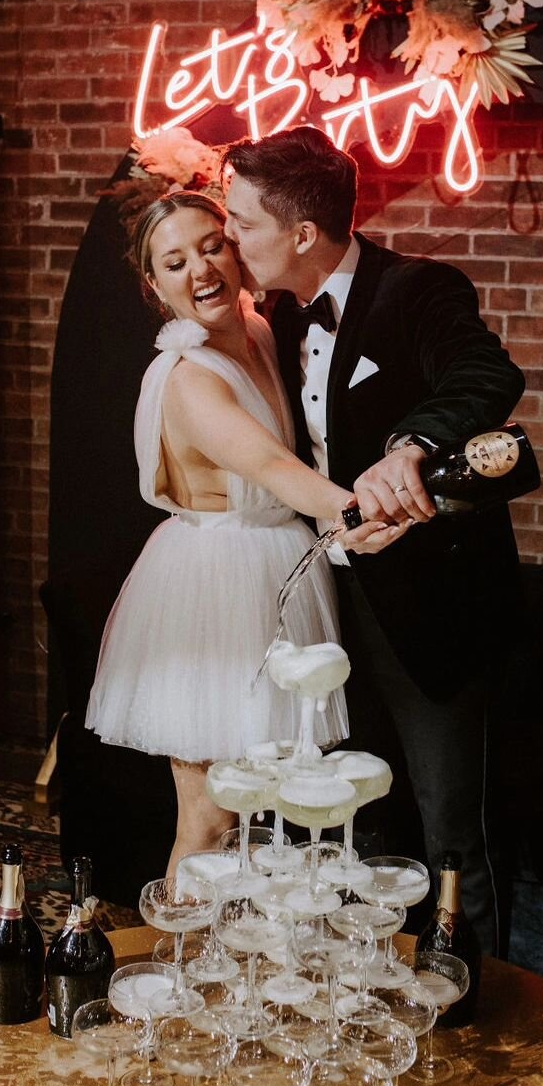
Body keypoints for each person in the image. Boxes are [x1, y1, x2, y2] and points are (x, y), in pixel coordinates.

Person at [223, 127, 526, 955]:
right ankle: (371, 998)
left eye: (241, 221)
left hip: (434, 617)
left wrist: (412, 446)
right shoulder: (276, 321)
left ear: (301, 236)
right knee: (355, 821)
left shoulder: (418, 289)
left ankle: (475, 1000)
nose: (229, 237)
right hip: (328, 611)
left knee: (452, 830)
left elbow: (485, 376)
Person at [84, 190, 379, 879]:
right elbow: (273, 466)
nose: (202, 270)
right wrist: (361, 514)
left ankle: (242, 966)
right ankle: (187, 972)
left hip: (277, 572)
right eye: (175, 261)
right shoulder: (188, 380)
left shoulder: (261, 331)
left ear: (236, 248)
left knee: (268, 808)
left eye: (211, 245)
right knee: (212, 816)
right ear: (156, 288)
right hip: (211, 589)